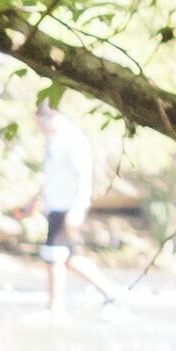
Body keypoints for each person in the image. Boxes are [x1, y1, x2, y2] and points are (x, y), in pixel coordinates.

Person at [38, 95, 113, 308]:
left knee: (54, 256)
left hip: (66, 206)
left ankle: (55, 307)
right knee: (70, 257)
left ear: (50, 117)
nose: (39, 129)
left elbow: (83, 175)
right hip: (54, 204)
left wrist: (78, 206)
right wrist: (34, 200)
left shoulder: (71, 139)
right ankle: (109, 291)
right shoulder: (52, 139)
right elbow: (50, 175)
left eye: (40, 124)